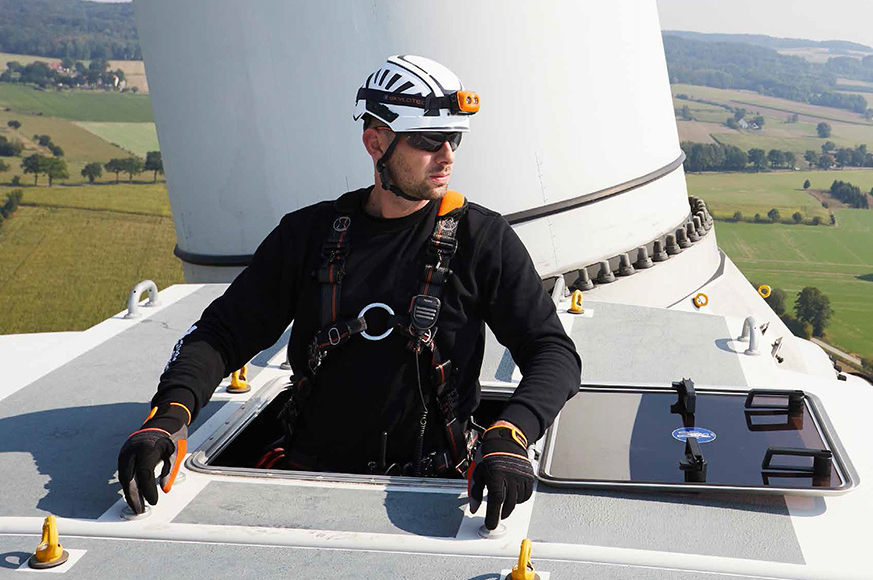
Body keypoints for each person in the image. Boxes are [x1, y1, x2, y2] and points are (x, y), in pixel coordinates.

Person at [117, 54, 581, 529]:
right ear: (375, 141)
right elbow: (220, 334)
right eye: (428, 140)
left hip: (436, 488)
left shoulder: (481, 239)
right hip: (306, 485)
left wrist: (511, 433)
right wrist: (169, 414)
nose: (447, 156)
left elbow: (552, 352)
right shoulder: (308, 236)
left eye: (454, 138)